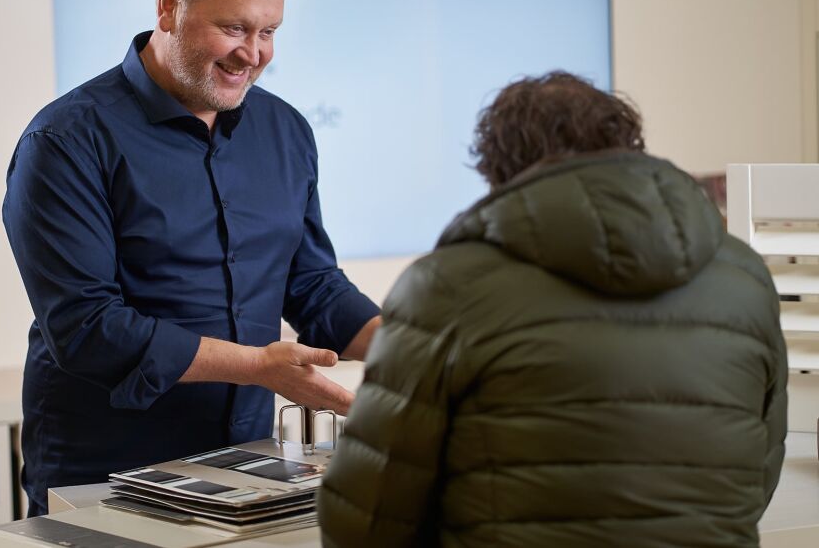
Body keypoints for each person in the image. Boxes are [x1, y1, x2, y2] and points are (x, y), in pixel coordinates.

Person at [3, 0, 380, 517]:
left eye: (268, 32)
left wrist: (404, 350)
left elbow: (309, 282)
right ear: (168, 5)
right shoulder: (65, 141)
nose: (252, 54)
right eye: (233, 28)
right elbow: (87, 328)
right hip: (104, 476)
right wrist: (258, 366)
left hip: (250, 467)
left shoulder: (286, 131)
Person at [317, 72, 787, 547]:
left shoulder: (447, 286)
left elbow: (365, 520)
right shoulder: (744, 276)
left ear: (499, 170)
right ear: (627, 145)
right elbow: (757, 475)